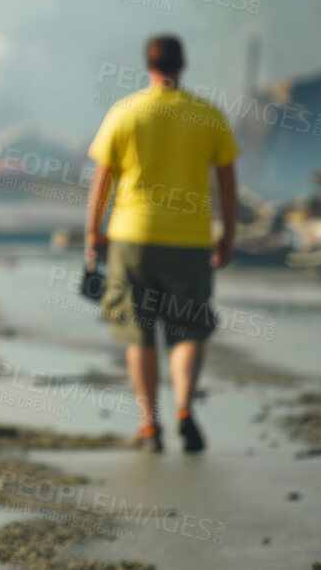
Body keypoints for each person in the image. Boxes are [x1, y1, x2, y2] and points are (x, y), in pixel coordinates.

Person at [84, 34, 238, 453]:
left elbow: (101, 182)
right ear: (183, 63)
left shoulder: (125, 113)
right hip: (188, 241)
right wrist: (227, 236)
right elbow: (227, 182)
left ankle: (149, 425)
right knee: (189, 330)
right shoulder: (208, 115)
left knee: (139, 334)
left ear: (147, 64)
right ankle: (185, 409)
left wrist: (92, 235)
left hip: (132, 239)